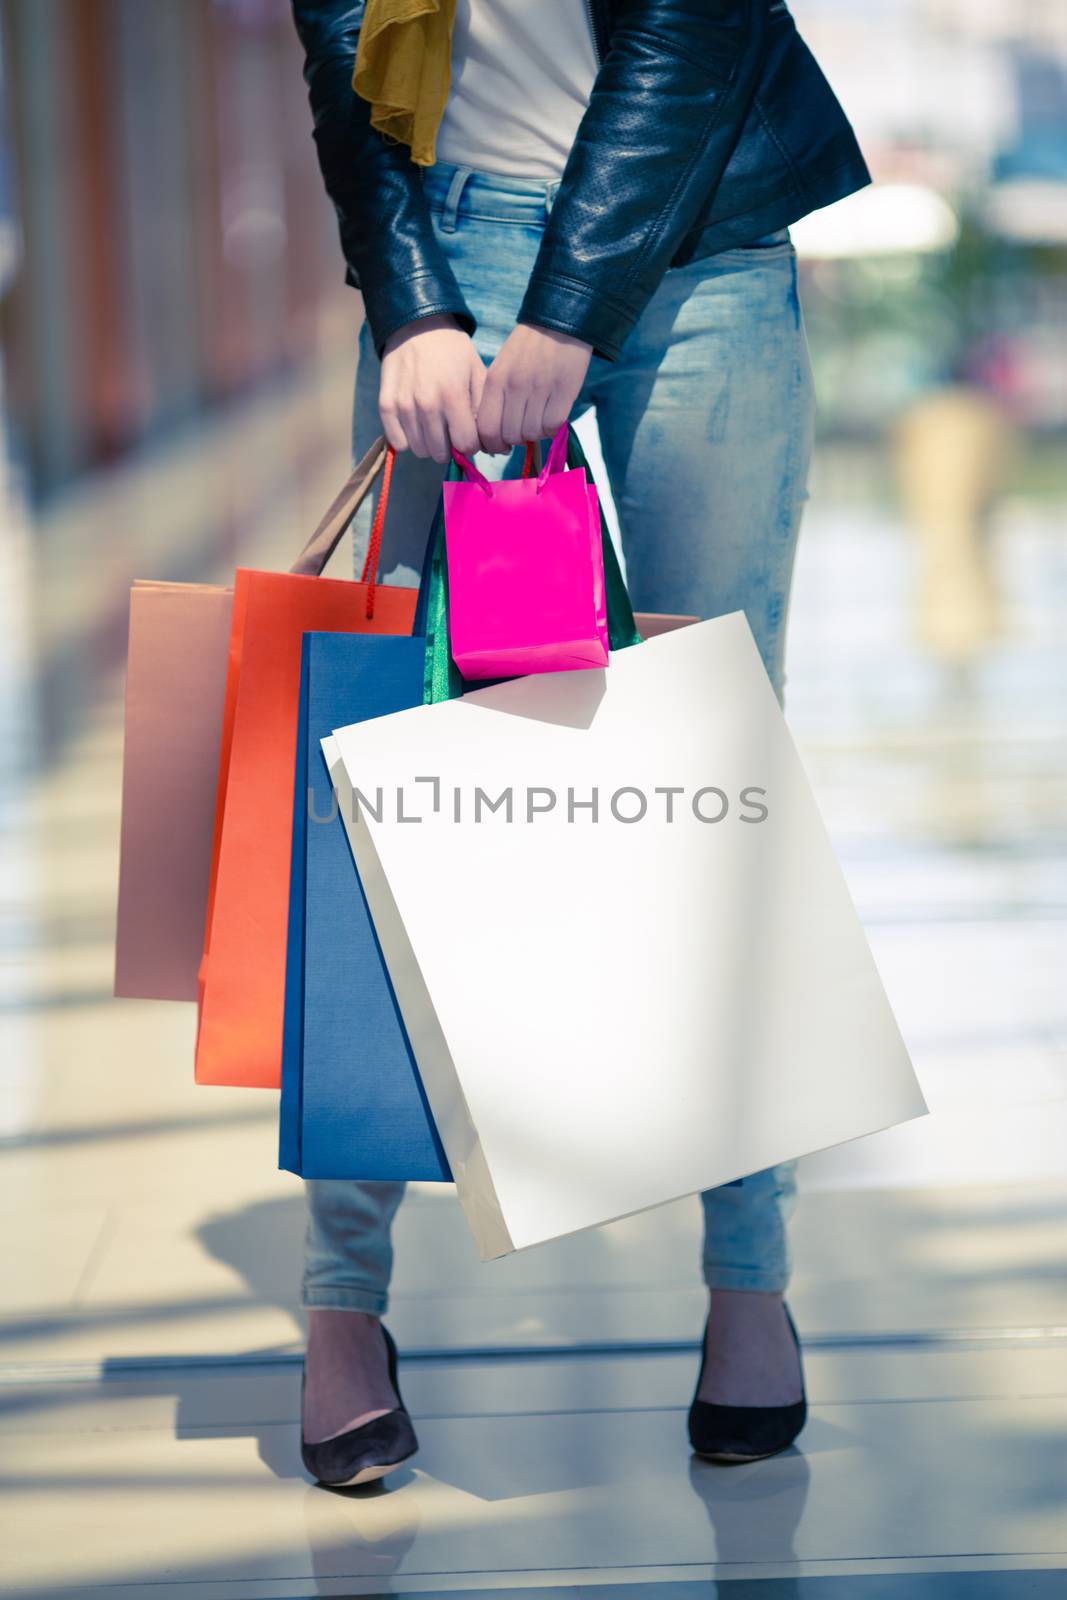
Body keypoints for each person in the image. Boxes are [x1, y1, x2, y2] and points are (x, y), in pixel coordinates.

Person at [292, 0, 871, 1485]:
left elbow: (697, 34)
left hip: (703, 239)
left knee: (717, 769)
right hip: (459, 253)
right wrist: (412, 306)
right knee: (381, 767)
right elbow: (347, 69)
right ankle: (341, 1303)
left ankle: (749, 1278)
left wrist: (563, 316)